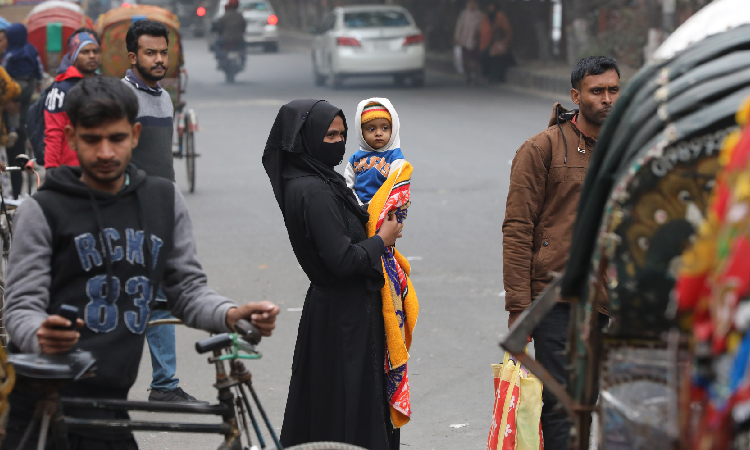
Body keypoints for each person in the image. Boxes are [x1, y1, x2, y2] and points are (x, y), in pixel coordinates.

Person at [3, 76, 280, 450]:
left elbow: (186, 289)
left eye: (116, 138)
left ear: (135, 134)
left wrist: (230, 313)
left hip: (112, 399)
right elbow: (20, 308)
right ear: (71, 138)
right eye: (91, 139)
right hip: (42, 404)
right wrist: (39, 332)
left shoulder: (163, 200)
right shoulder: (42, 210)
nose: (105, 152)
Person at [263, 99, 403, 449]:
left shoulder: (317, 180)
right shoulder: (314, 191)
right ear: (307, 138)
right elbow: (341, 260)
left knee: (334, 403)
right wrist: (381, 241)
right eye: (329, 135)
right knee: (347, 402)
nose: (339, 143)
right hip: (345, 319)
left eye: (342, 134)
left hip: (338, 312)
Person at [502, 56, 620, 450]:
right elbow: (518, 229)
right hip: (555, 300)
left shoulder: (627, 149)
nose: (607, 99)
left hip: (608, 300)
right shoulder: (541, 149)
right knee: (563, 406)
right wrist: (519, 306)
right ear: (576, 95)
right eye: (597, 91)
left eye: (613, 90)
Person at [122, 19, 198, 403]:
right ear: (132, 56)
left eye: (163, 53)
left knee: (158, 298)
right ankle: (102, 385)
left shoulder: (164, 97)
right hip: (133, 212)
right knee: (130, 297)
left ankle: (164, 385)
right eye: (150, 53)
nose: (158, 59)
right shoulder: (123, 98)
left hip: (162, 208)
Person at [43, 31, 101, 170]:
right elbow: (54, 133)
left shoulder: (104, 85)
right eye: (85, 52)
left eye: (95, 51)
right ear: (74, 56)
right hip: (71, 169)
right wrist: (51, 169)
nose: (92, 56)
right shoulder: (61, 88)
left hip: (99, 166)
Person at [2, 23, 43, 197]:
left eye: (2, 39)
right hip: (8, 118)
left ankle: (16, 197)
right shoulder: (29, 51)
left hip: (13, 124)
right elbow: (37, 71)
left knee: (16, 158)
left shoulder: (9, 57)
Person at [344, 98, 406, 205]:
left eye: (385, 128)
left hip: (385, 210)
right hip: (359, 209)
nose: (378, 133)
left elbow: (396, 188)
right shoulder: (355, 159)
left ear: (393, 129)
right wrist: (359, 206)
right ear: (361, 132)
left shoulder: (395, 158)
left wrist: (374, 207)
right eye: (371, 129)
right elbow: (347, 185)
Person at [479, 2, 513, 82]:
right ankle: (490, 75)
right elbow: (483, 31)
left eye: (492, 6)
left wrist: (504, 41)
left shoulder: (500, 16)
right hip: (488, 44)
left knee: (497, 60)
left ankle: (496, 77)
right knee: (484, 57)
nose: (491, 8)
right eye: (489, 6)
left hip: (500, 43)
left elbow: (506, 30)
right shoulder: (486, 17)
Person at [454, 0, 483, 84]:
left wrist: (478, 33)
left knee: (474, 60)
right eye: (470, 3)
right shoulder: (464, 14)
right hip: (464, 40)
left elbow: (482, 28)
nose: (471, 5)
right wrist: (457, 36)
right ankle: (468, 76)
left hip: (474, 41)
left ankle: (476, 77)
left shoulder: (480, 15)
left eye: (473, 3)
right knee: (465, 60)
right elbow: (459, 25)